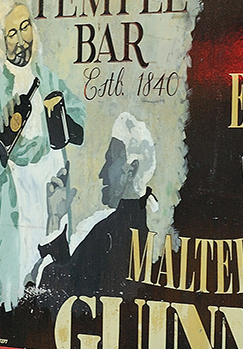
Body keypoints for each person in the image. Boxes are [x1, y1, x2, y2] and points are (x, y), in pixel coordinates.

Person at [0, 0, 85, 309]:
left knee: (52, 283)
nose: (21, 39)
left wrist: (60, 117)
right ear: (0, 41)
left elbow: (77, 128)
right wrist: (4, 131)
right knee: (17, 282)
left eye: (25, 27)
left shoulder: (50, 79)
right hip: (16, 203)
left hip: (50, 197)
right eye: (12, 32)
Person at [36, 111, 158, 298]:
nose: (101, 173)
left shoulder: (112, 232)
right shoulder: (130, 225)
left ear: (131, 170)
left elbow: (58, 292)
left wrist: (53, 221)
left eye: (110, 161)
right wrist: (55, 217)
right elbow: (75, 275)